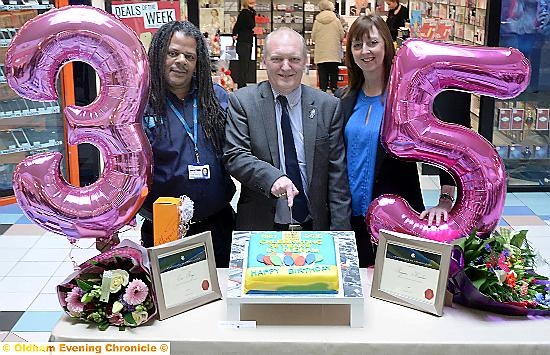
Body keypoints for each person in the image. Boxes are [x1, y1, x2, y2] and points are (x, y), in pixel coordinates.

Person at [335, 15, 455, 267]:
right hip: (350, 217)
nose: (365, 51)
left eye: (372, 43)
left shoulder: (407, 98)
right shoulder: (343, 99)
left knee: (396, 290)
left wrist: (444, 201)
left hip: (398, 216)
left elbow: (451, 149)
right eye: (357, 45)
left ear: (387, 46)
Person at [223, 27, 351, 231]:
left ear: (306, 61)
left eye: (294, 59)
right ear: (263, 61)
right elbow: (235, 155)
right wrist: (273, 177)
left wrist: (341, 233)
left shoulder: (328, 106)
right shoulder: (243, 102)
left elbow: (337, 178)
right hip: (261, 226)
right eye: (276, 59)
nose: (285, 67)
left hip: (315, 227)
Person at [140, 21, 236, 267]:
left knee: (221, 300)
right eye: (172, 53)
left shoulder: (216, 98)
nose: (181, 60)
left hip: (218, 224)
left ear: (198, 62)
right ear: (159, 54)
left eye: (189, 56)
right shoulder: (141, 104)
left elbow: (239, 151)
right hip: (163, 229)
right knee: (172, 300)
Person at [311, 0, 345, 93]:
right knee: (334, 71)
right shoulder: (336, 21)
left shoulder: (317, 21)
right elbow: (342, 35)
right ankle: (334, 88)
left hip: (321, 52)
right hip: (333, 52)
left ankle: (323, 89)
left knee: (322, 72)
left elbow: (313, 37)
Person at [232, 0, 256, 88]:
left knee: (245, 64)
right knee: (243, 64)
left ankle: (242, 83)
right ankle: (241, 84)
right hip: (244, 42)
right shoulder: (245, 13)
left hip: (246, 41)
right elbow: (251, 24)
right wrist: (234, 34)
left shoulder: (248, 13)